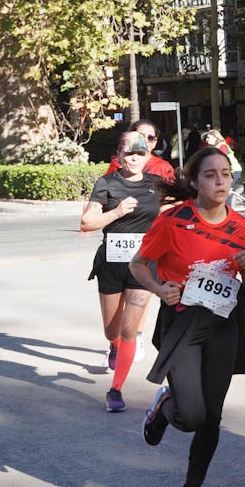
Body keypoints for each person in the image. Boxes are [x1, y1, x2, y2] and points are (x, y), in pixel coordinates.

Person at [130, 147, 245, 487]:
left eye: (225, 174)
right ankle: (163, 408)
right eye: (210, 175)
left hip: (224, 325)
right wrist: (159, 288)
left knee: (213, 416)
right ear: (195, 181)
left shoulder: (242, 228)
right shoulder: (174, 221)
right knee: (191, 416)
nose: (220, 181)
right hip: (183, 323)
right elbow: (139, 264)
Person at [80, 132, 166, 412]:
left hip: (143, 266)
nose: (134, 158)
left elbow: (180, 209)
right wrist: (116, 212)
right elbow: (88, 222)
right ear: (119, 155)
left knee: (130, 328)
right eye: (129, 153)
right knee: (112, 330)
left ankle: (115, 390)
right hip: (112, 264)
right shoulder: (107, 183)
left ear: (147, 156)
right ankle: (114, 345)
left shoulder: (157, 185)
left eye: (140, 154)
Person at [104, 120, 177, 180]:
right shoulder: (117, 163)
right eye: (140, 136)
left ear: (155, 142)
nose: (145, 140)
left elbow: (174, 194)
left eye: (150, 138)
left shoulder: (163, 168)